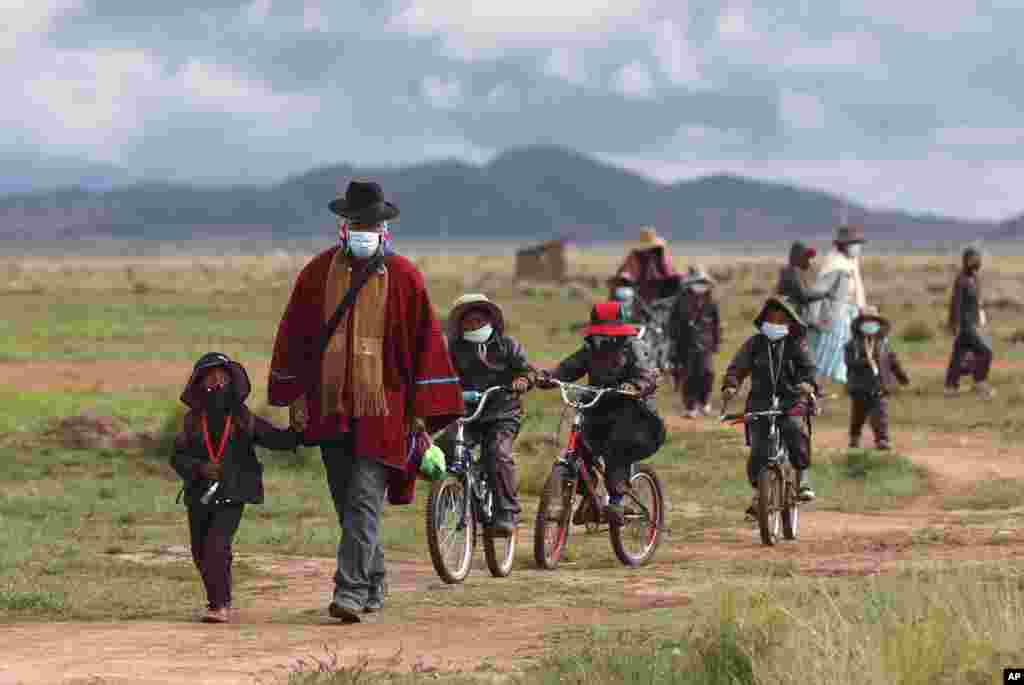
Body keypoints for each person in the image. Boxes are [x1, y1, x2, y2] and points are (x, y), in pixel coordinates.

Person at [268, 179, 463, 623]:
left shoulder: (407, 278)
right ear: (343, 225)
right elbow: (293, 337)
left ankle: (350, 592)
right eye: (356, 223)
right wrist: (295, 395)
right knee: (346, 503)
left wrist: (421, 412)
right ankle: (374, 578)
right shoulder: (316, 275)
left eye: (370, 224)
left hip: (386, 413)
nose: (363, 230)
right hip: (329, 408)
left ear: (384, 228)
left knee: (361, 501)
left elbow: (426, 346)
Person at [170, 353, 299, 623]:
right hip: (199, 494)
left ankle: (219, 606)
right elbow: (177, 458)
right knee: (200, 551)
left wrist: (301, 429)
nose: (217, 381)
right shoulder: (192, 421)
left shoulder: (243, 418)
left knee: (217, 546)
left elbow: (277, 440)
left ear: (232, 379)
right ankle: (219, 599)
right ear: (199, 381)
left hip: (233, 492)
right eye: (210, 376)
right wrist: (200, 468)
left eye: (222, 375)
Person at [536, 302, 662, 527]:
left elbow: (647, 374)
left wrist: (635, 386)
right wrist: (548, 377)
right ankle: (589, 497)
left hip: (631, 410)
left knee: (617, 448)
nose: (604, 336)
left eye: (609, 331)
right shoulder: (591, 348)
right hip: (598, 406)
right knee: (581, 445)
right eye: (601, 331)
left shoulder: (633, 346)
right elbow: (568, 368)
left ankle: (616, 500)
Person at [441, 294, 532, 535]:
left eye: (479, 321)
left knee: (497, 453)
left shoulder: (508, 346)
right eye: (468, 323)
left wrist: (523, 380)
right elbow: (440, 376)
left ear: (490, 320)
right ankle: (450, 493)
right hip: (468, 414)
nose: (474, 327)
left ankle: (507, 513)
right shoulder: (452, 349)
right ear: (459, 326)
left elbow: (526, 370)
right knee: (444, 446)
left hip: (503, 412)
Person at [721, 296, 819, 517]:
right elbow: (738, 366)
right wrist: (731, 385)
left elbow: (809, 368)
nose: (775, 323)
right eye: (771, 318)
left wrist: (806, 383)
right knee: (758, 450)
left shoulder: (796, 344)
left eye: (781, 319)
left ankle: (802, 479)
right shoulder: (754, 343)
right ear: (764, 320)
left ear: (790, 323)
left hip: (791, 400)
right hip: (760, 402)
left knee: (795, 430)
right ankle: (760, 495)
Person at [806, 225, 868, 384]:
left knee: (841, 352)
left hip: (846, 316)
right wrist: (813, 318)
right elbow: (818, 291)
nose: (857, 247)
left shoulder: (851, 263)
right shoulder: (836, 266)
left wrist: (861, 309)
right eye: (854, 243)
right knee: (823, 354)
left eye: (858, 243)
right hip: (832, 317)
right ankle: (811, 388)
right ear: (844, 245)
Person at [844, 306, 910, 450]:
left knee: (880, 413)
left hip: (879, 385)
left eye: (873, 321)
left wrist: (902, 377)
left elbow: (893, 361)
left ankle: (882, 439)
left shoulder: (884, 344)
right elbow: (849, 362)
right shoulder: (852, 345)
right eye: (866, 321)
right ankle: (854, 437)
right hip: (860, 386)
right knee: (858, 415)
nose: (870, 324)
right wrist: (865, 361)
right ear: (860, 324)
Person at [669, 266, 721, 418]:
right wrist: (674, 342)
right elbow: (673, 323)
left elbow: (716, 324)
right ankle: (690, 407)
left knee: (707, 373)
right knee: (689, 376)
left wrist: (716, 342)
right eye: (698, 282)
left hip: (706, 344)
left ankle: (704, 403)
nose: (701, 285)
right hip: (686, 344)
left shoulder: (711, 302)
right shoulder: (681, 301)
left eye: (703, 282)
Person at [945, 246, 995, 399]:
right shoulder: (961, 280)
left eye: (978, 259)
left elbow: (977, 303)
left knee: (958, 355)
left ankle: (951, 387)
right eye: (973, 259)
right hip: (965, 325)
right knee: (985, 352)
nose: (976, 262)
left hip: (973, 324)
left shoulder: (974, 278)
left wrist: (982, 320)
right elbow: (955, 304)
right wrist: (955, 325)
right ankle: (980, 383)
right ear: (965, 261)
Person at [614, 226, 680, 303]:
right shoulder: (660, 252)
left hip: (644, 290)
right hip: (662, 289)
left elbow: (625, 271)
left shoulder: (635, 255)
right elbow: (669, 269)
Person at [775, 241, 833, 324]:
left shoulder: (794, 272)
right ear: (797, 258)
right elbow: (803, 295)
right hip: (790, 321)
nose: (809, 261)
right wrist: (824, 294)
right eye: (805, 257)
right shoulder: (792, 272)